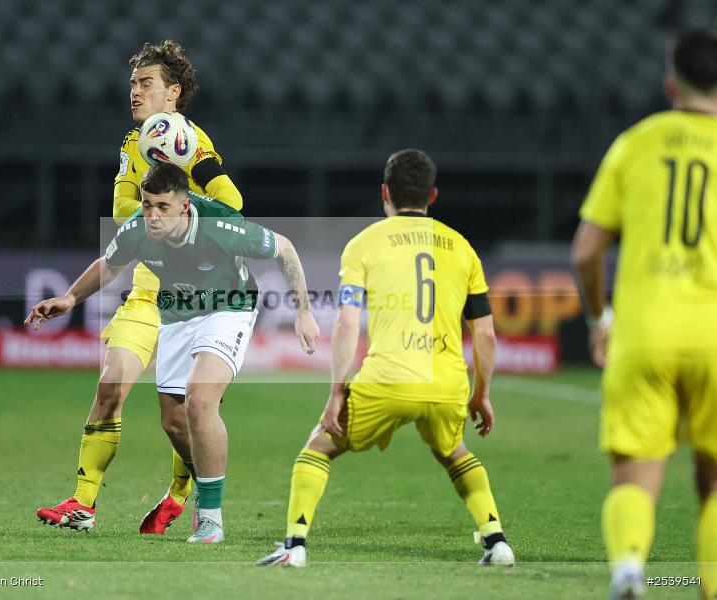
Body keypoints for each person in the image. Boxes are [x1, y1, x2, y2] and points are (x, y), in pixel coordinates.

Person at [27, 163, 320, 543]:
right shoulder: (138, 228)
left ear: (184, 206)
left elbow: (284, 248)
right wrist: (69, 297)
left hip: (228, 309)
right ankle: (199, 482)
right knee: (174, 422)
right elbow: (109, 265)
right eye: (147, 205)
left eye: (162, 207)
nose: (152, 215)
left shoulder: (220, 226)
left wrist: (303, 310)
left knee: (200, 399)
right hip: (177, 315)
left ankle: (210, 518)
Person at [256, 149, 514, 567]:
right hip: (446, 380)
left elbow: (346, 323)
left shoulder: (364, 244)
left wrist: (336, 391)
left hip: (388, 377)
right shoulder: (462, 248)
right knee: (455, 452)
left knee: (318, 448)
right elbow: (484, 332)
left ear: (385, 193)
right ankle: (496, 540)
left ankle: (295, 546)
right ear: (432, 194)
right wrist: (482, 393)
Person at [36, 40, 244, 534]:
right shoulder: (133, 147)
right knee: (110, 386)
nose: (134, 92)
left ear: (172, 93)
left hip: (194, 298)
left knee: (179, 419)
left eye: (145, 83)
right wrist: (159, 210)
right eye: (133, 83)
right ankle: (83, 504)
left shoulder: (193, 145)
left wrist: (181, 205)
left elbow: (232, 201)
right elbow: (121, 214)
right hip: (147, 290)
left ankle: (183, 496)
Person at [570, 29, 717, 600]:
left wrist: (597, 319)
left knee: (636, 471)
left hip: (645, 330)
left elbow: (586, 250)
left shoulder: (637, 141)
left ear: (670, 83)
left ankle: (631, 570)